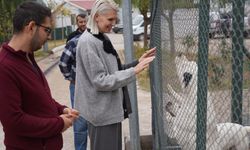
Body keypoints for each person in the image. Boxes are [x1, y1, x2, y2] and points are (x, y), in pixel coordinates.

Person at [74, 0, 156, 150]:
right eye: (110, 19)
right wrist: (134, 71)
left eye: (114, 20)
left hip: (108, 112)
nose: (113, 23)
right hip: (101, 114)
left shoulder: (100, 37)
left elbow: (114, 69)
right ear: (97, 16)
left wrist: (138, 62)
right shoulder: (88, 42)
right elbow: (101, 81)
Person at [0, 2, 79, 150]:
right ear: (31, 27)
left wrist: (61, 109)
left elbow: (39, 97)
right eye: (47, 30)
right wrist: (59, 124)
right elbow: (13, 121)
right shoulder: (5, 67)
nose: (49, 37)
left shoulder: (27, 56)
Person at [59, 17, 88, 150]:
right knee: (80, 119)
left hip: (91, 86)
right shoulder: (72, 39)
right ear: (77, 23)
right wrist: (72, 78)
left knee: (91, 120)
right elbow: (64, 62)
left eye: (85, 21)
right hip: (76, 85)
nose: (83, 24)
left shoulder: (96, 37)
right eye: (80, 22)